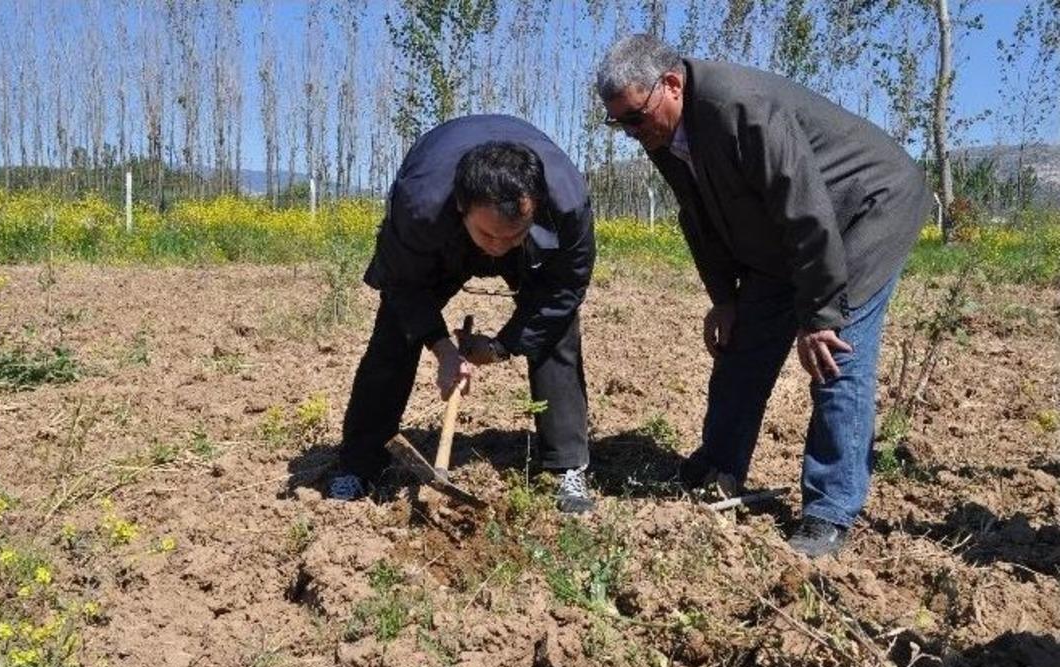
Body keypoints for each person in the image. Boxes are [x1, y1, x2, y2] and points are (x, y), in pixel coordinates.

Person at [596, 34, 929, 556]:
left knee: (834, 357)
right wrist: (724, 298)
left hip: (864, 212)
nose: (631, 133)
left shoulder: (740, 106)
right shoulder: (663, 134)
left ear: (672, 85)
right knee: (743, 346)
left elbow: (805, 207)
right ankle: (719, 466)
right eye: (619, 124)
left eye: (635, 118)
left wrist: (820, 314)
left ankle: (829, 512)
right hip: (784, 236)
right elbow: (698, 218)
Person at [327, 114, 596, 514]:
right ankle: (359, 460)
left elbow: (563, 291)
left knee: (556, 330)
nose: (499, 247)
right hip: (442, 238)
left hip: (532, 245)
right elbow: (403, 285)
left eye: (513, 235)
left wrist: (503, 346)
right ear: (461, 206)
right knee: (395, 331)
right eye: (489, 235)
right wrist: (442, 349)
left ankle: (566, 467)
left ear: (535, 208)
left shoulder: (567, 205)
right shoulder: (419, 205)